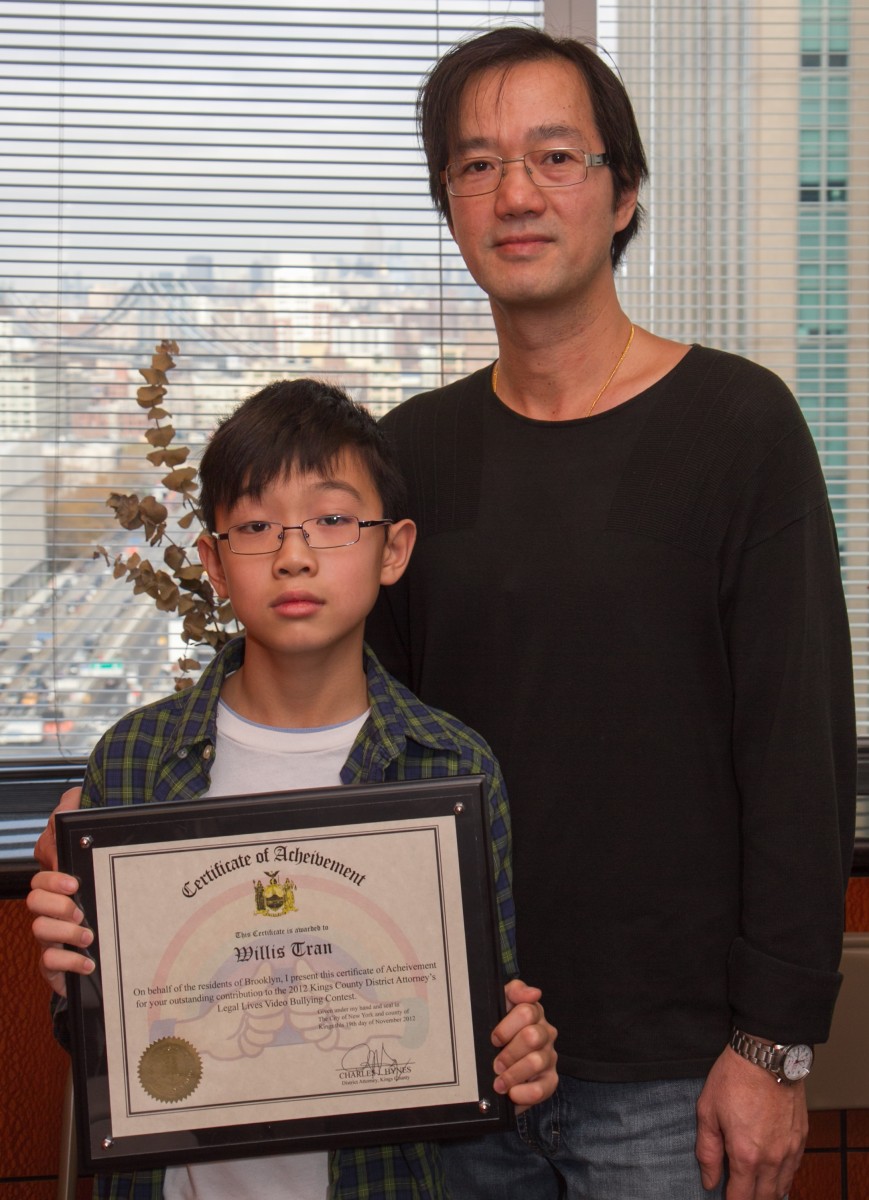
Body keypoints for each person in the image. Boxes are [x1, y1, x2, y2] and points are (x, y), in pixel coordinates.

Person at [363, 24, 857, 1200]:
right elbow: (325, 705)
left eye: (554, 156)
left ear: (623, 193)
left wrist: (770, 1048)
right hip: (457, 1058)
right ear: (447, 203)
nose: (514, 192)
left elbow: (796, 755)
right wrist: (128, 790)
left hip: (674, 1078)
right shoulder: (405, 453)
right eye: (475, 164)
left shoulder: (737, 428)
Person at [27, 377, 557, 1200]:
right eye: (254, 525)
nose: (294, 554)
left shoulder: (453, 768)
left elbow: (475, 1019)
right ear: (212, 561)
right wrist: (75, 981)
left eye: (334, 519)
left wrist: (516, 1050)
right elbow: (100, 1046)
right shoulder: (131, 760)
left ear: (393, 548)